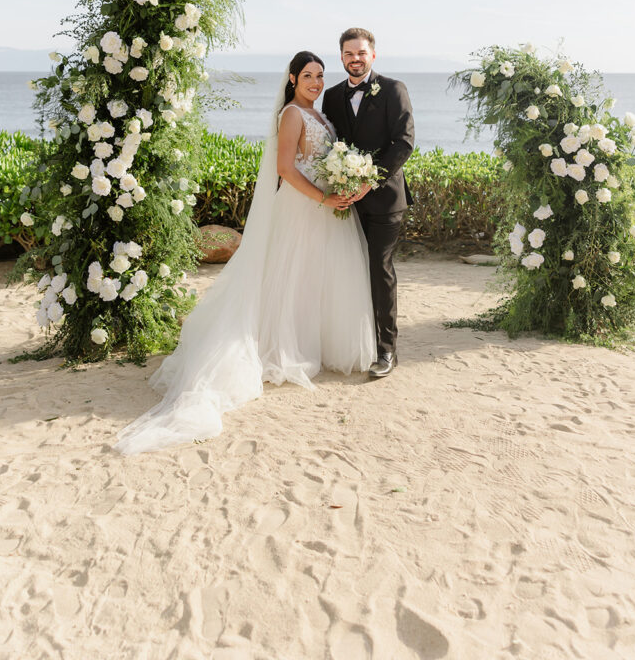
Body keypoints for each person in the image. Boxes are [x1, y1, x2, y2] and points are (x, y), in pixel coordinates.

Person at [115, 51, 375, 455]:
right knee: (292, 276)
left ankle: (314, 344)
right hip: (302, 208)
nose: (316, 82)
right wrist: (325, 197)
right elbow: (286, 170)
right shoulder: (291, 115)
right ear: (292, 78)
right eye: (308, 75)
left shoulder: (322, 117)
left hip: (324, 210)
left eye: (321, 76)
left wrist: (341, 184)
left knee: (315, 278)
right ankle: (284, 348)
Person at [322, 28, 415, 378]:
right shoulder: (331, 97)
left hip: (385, 201)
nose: (355, 59)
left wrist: (368, 181)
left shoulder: (393, 90)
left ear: (372, 55)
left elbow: (404, 142)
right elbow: (333, 145)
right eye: (348, 53)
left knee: (379, 270)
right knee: (346, 271)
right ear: (341, 57)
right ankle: (351, 344)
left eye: (360, 53)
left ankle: (386, 352)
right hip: (346, 201)